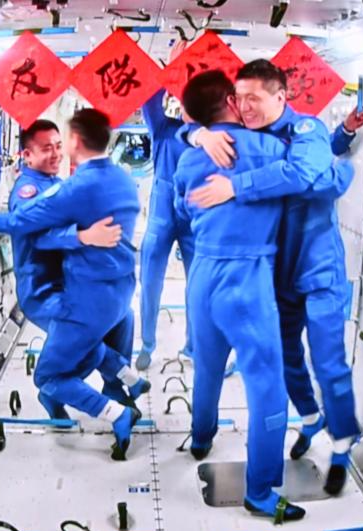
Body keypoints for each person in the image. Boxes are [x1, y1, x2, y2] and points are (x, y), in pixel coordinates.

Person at [186, 59, 363, 496]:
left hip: (318, 268)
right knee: (286, 359)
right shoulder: (254, 140)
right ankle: (310, 418)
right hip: (277, 274)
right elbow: (183, 131)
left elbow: (305, 173)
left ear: (280, 97)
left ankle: (342, 444)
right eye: (239, 98)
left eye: (254, 98)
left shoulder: (305, 131)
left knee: (328, 362)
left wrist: (236, 186)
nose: (245, 107)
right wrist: (197, 133)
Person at [0, 109, 145, 460]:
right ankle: (115, 391)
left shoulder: (63, 184)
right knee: (72, 354)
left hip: (71, 288)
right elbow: (31, 234)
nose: (56, 153)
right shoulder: (30, 190)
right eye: (46, 148)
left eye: (59, 145)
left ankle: (96, 393)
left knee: (95, 337)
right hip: (44, 290)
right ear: (27, 155)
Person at [175, 70, 313, 522]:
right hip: (248, 279)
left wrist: (196, 135)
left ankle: (201, 438)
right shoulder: (272, 150)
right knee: (268, 387)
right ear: (233, 103)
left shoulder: (188, 159)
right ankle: (260, 491)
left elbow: (182, 209)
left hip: (202, 275)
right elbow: (305, 172)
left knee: (208, 367)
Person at [136, 39, 196, 371]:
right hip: (161, 217)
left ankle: (193, 346)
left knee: (197, 285)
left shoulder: (209, 136)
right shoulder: (163, 130)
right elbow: (149, 98)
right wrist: (174, 69)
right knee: (150, 281)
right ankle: (147, 343)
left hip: (194, 217)